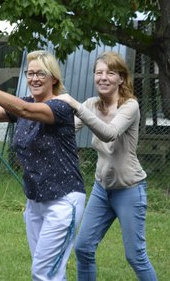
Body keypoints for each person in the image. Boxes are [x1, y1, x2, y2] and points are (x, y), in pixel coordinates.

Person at [0, 50, 86, 281]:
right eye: (30, 73)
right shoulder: (27, 103)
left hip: (63, 200)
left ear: (54, 79)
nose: (34, 79)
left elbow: (24, 110)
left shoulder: (60, 107)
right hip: (35, 202)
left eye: (41, 73)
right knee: (50, 271)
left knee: (43, 273)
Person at [57, 51, 157, 280]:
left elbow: (109, 133)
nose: (103, 77)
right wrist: (36, 115)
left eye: (110, 73)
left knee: (136, 256)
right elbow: (67, 130)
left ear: (121, 79)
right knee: (83, 248)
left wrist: (74, 104)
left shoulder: (130, 106)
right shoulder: (92, 104)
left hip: (130, 190)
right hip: (102, 190)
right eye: (98, 72)